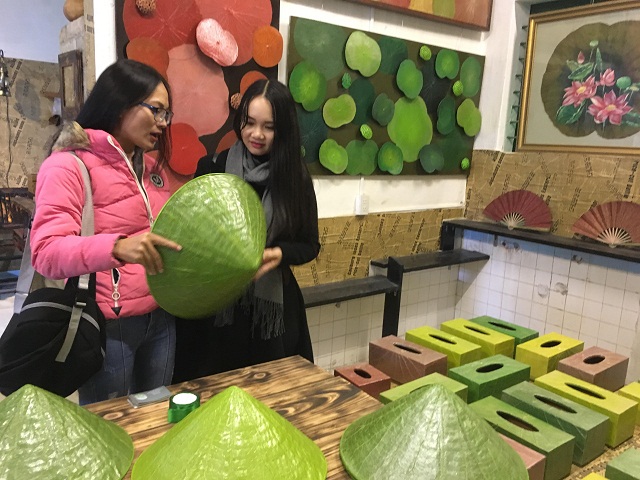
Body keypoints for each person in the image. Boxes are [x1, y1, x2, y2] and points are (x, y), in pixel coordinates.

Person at [30, 59, 182, 404]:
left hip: (161, 316)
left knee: (157, 415)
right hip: (108, 325)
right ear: (120, 103)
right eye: (156, 110)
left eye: (166, 114)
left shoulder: (153, 168)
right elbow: (46, 252)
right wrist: (116, 247)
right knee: (110, 422)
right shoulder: (67, 165)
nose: (163, 123)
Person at [173, 79, 320, 382]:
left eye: (269, 127)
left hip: (271, 313)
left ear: (284, 130)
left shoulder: (294, 178)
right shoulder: (213, 167)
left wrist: (279, 253)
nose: (257, 134)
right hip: (216, 311)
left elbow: (309, 245)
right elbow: (191, 233)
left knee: (271, 396)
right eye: (249, 122)